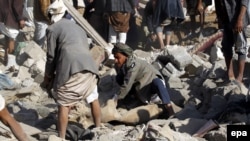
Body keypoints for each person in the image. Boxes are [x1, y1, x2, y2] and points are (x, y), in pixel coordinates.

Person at [41, 0, 101, 139]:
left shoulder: (52, 29)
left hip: (72, 69)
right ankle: (98, 129)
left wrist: (47, 76)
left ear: (51, 17)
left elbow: (51, 56)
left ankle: (60, 137)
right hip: (90, 67)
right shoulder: (79, 28)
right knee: (93, 98)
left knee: (63, 102)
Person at [112, 43, 174, 117]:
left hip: (152, 89)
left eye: (117, 57)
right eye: (114, 57)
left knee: (157, 82)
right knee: (119, 78)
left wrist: (115, 99)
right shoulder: (123, 65)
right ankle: (132, 99)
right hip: (141, 87)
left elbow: (127, 84)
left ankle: (170, 109)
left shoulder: (134, 65)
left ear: (126, 56)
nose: (115, 60)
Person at [215, 0, 249, 89]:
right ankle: (230, 75)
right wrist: (219, 17)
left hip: (237, 18)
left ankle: (240, 77)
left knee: (241, 46)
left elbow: (244, 2)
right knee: (226, 46)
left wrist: (240, 19)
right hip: (225, 19)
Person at [0, 0, 26, 65]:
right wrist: (21, 19)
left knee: (7, 38)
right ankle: (10, 63)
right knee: (12, 39)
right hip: (10, 17)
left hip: (3, 16)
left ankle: (6, 59)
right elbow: (17, 6)